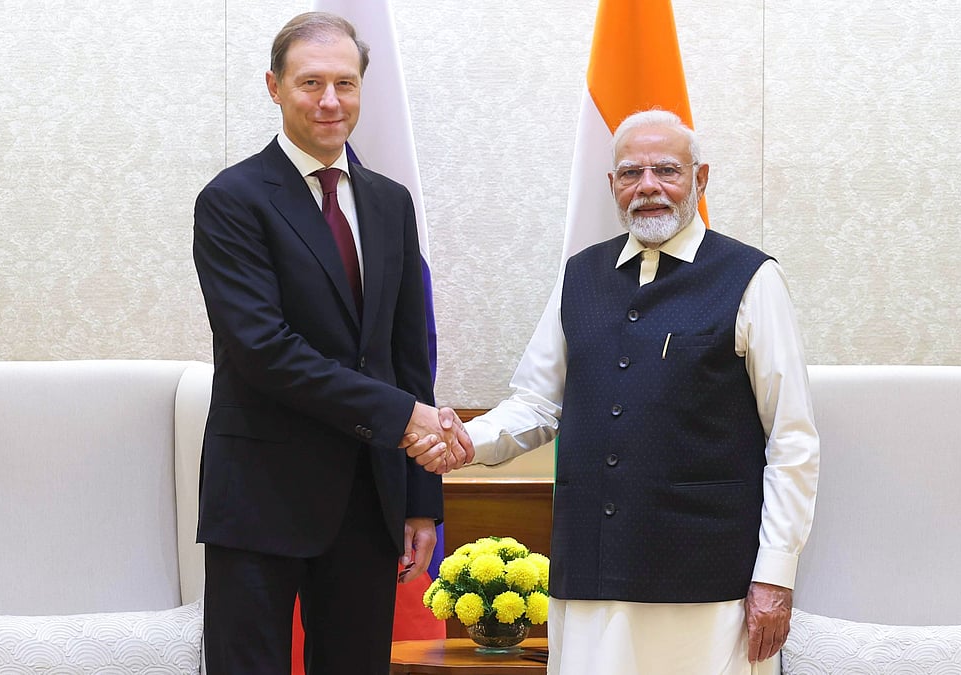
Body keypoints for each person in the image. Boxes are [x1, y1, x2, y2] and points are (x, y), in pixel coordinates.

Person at [412, 109, 819, 674]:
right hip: (590, 573)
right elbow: (535, 402)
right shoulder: (579, 276)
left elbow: (792, 437)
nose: (648, 187)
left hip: (705, 578)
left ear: (701, 180)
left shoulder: (752, 278)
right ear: (612, 186)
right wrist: (466, 442)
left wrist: (775, 574)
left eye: (667, 171)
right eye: (631, 173)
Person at [192, 12, 470, 674]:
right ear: (274, 86)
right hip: (259, 498)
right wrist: (403, 419)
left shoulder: (388, 203)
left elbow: (408, 354)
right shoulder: (232, 201)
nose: (328, 101)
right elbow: (265, 351)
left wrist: (419, 499)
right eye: (310, 82)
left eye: (344, 83)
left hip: (366, 498)